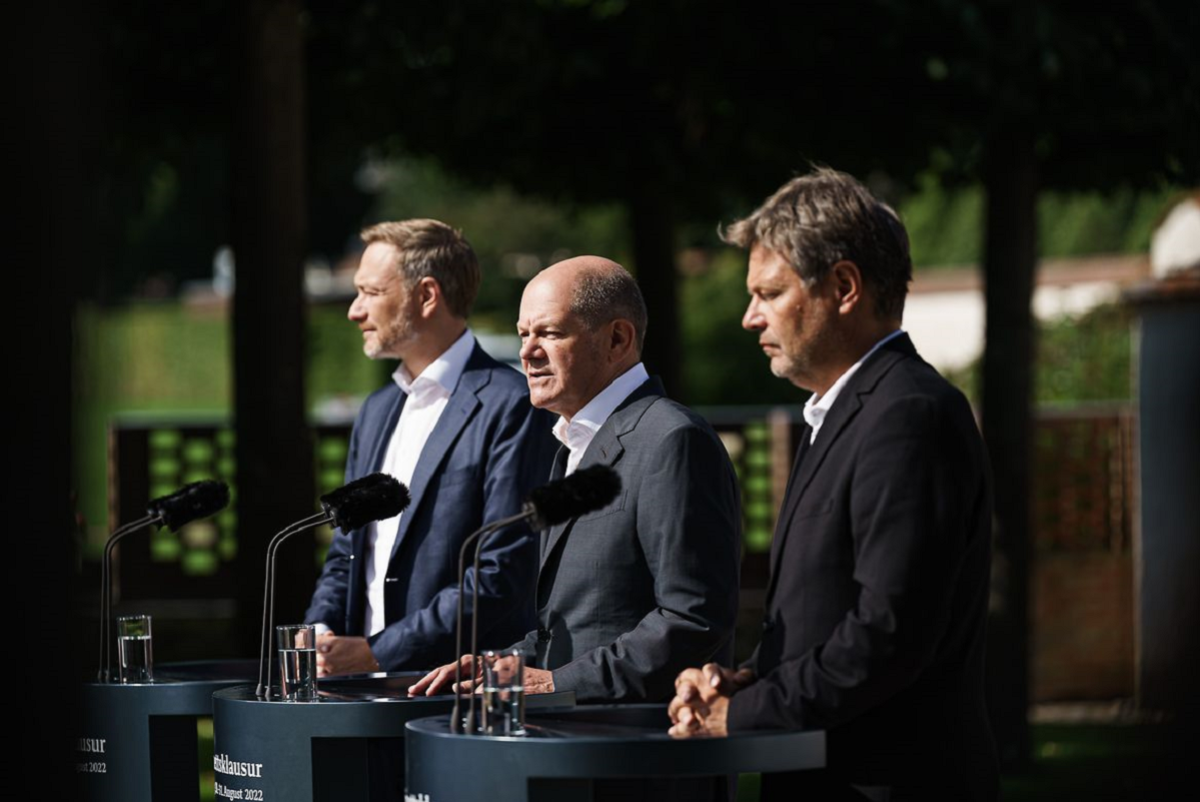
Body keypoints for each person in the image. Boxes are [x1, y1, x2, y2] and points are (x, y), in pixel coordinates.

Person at [668, 168, 999, 801]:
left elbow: (889, 633)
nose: (749, 318)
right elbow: (827, 615)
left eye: (768, 293)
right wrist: (744, 682)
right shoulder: (844, 413)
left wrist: (743, 716)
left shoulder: (908, 413)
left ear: (843, 287)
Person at [411, 256, 741, 702]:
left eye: (549, 333)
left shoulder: (671, 439)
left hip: (634, 750)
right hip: (572, 742)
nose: (527, 351)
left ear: (617, 339)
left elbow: (692, 618)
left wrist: (556, 684)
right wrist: (506, 663)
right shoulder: (573, 444)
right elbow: (578, 626)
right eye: (523, 333)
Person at [304, 219, 554, 676]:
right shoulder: (376, 410)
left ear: (426, 295)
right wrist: (320, 633)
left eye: (371, 292)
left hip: (456, 692)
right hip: (358, 689)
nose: (354, 311)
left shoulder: (512, 405)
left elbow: (501, 570)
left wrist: (381, 650)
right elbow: (347, 551)